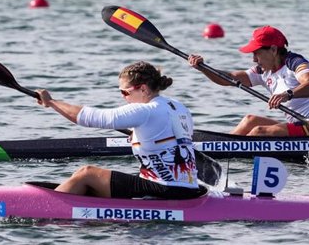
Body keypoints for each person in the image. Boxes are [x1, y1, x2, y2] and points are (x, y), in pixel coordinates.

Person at [35, 60, 201, 199]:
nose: (123, 96)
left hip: (165, 189)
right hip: (188, 187)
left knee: (87, 173)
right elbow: (171, 139)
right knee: (83, 174)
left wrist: (52, 102)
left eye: (125, 92)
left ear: (143, 89)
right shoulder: (179, 107)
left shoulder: (145, 110)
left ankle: (45, 209)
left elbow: (91, 118)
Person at [188, 25, 309, 137]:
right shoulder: (263, 71)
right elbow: (229, 78)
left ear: (273, 50)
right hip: (297, 125)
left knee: (258, 132)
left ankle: (229, 154)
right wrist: (203, 68)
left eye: (256, 53)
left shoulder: (296, 63)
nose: (253, 59)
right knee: (249, 120)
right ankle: (218, 148)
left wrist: (287, 94)